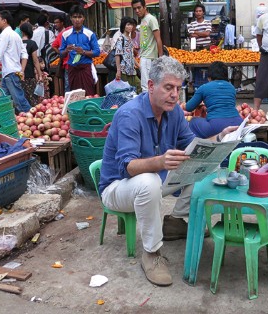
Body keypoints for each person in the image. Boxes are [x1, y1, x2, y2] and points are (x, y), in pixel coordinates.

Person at [98, 56, 236, 286]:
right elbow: (128, 167)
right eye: (168, 87)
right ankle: (151, 253)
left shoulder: (175, 114)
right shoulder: (129, 114)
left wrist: (222, 138)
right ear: (151, 86)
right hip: (118, 187)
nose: (174, 95)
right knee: (148, 181)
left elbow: (194, 149)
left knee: (205, 167)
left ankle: (175, 221)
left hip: (155, 182)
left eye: (178, 89)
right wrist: (161, 162)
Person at [0, 10, 31, 113]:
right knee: (5, 102)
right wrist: (21, 70)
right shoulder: (16, 34)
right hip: (11, 73)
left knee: (19, 101)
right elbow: (25, 54)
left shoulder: (5, 34)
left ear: (4, 21)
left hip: (10, 73)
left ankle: (32, 118)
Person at [185, 61, 243, 137]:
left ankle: (201, 145)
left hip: (216, 126)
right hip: (238, 124)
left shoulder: (204, 88)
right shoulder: (231, 87)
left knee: (193, 122)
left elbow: (189, 107)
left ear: (209, 77)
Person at [59, 5, 100, 95]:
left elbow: (97, 52)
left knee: (88, 94)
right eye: (75, 17)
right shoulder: (65, 34)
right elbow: (61, 54)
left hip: (86, 68)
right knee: (74, 96)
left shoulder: (89, 34)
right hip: (72, 69)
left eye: (79, 17)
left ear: (83, 18)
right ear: (71, 18)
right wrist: (66, 50)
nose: (77, 20)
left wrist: (83, 52)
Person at [132, 0, 163, 92]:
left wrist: (161, 58)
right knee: (147, 86)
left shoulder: (151, 19)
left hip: (149, 57)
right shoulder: (143, 20)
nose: (137, 11)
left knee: (146, 87)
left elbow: (158, 39)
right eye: (135, 9)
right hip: (144, 56)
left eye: (139, 7)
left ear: (145, 7)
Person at [114, 16, 141, 92]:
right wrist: (118, 70)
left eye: (131, 25)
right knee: (126, 92)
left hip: (132, 70)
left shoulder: (129, 39)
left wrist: (138, 66)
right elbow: (117, 55)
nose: (130, 27)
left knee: (139, 87)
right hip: (124, 71)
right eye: (128, 24)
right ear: (124, 26)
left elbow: (131, 55)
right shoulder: (121, 39)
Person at [20, 22, 44, 106]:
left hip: (18, 74)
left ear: (22, 32)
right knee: (32, 98)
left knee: (21, 97)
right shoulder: (32, 43)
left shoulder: (17, 43)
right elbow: (35, 60)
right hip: (29, 74)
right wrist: (40, 74)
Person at [51, 14, 71, 94]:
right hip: (69, 64)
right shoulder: (63, 33)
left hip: (70, 65)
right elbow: (54, 46)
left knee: (68, 86)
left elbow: (54, 46)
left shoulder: (63, 33)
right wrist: (61, 53)